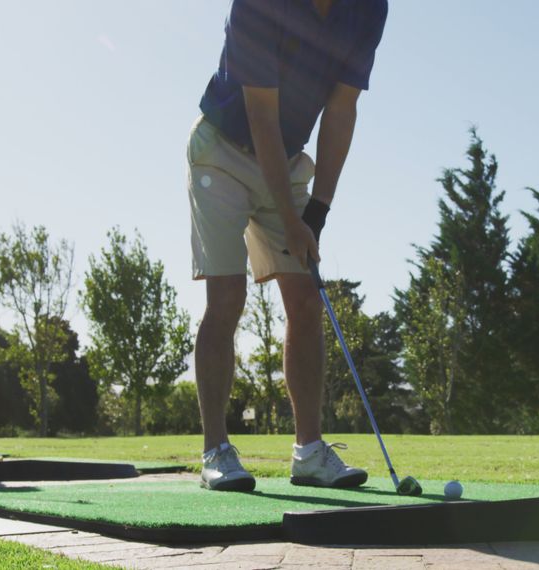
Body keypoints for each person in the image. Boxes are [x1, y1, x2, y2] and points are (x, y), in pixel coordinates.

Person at [188, 0, 387, 491]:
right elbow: (261, 113)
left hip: (288, 159)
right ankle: (216, 450)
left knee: (306, 300)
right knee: (227, 296)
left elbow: (342, 109)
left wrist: (318, 210)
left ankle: (309, 453)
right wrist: (291, 221)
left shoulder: (368, 9)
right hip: (221, 153)